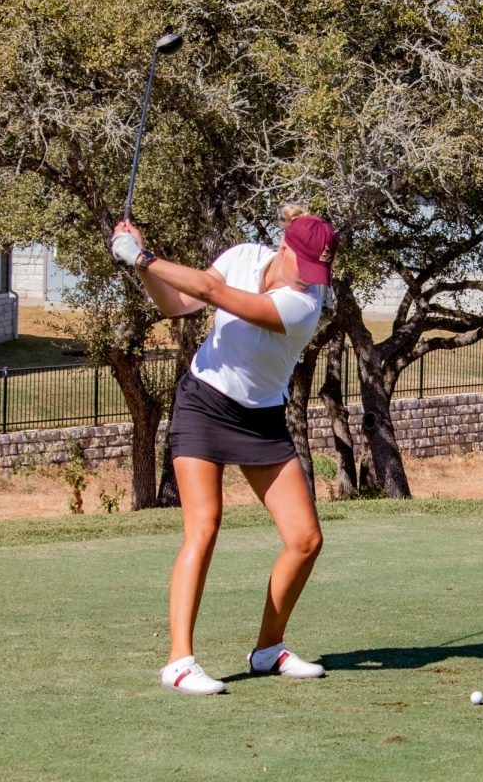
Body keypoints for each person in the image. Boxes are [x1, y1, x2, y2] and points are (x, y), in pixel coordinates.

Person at [110, 206, 337, 695]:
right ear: (284, 248)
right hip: (203, 403)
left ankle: (267, 650)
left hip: (260, 419)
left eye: (321, 272)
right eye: (307, 267)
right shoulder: (241, 257)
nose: (313, 280)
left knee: (305, 539)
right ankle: (179, 661)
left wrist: (143, 256)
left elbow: (211, 294)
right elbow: (177, 304)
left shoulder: (304, 306)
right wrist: (143, 266)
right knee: (205, 525)